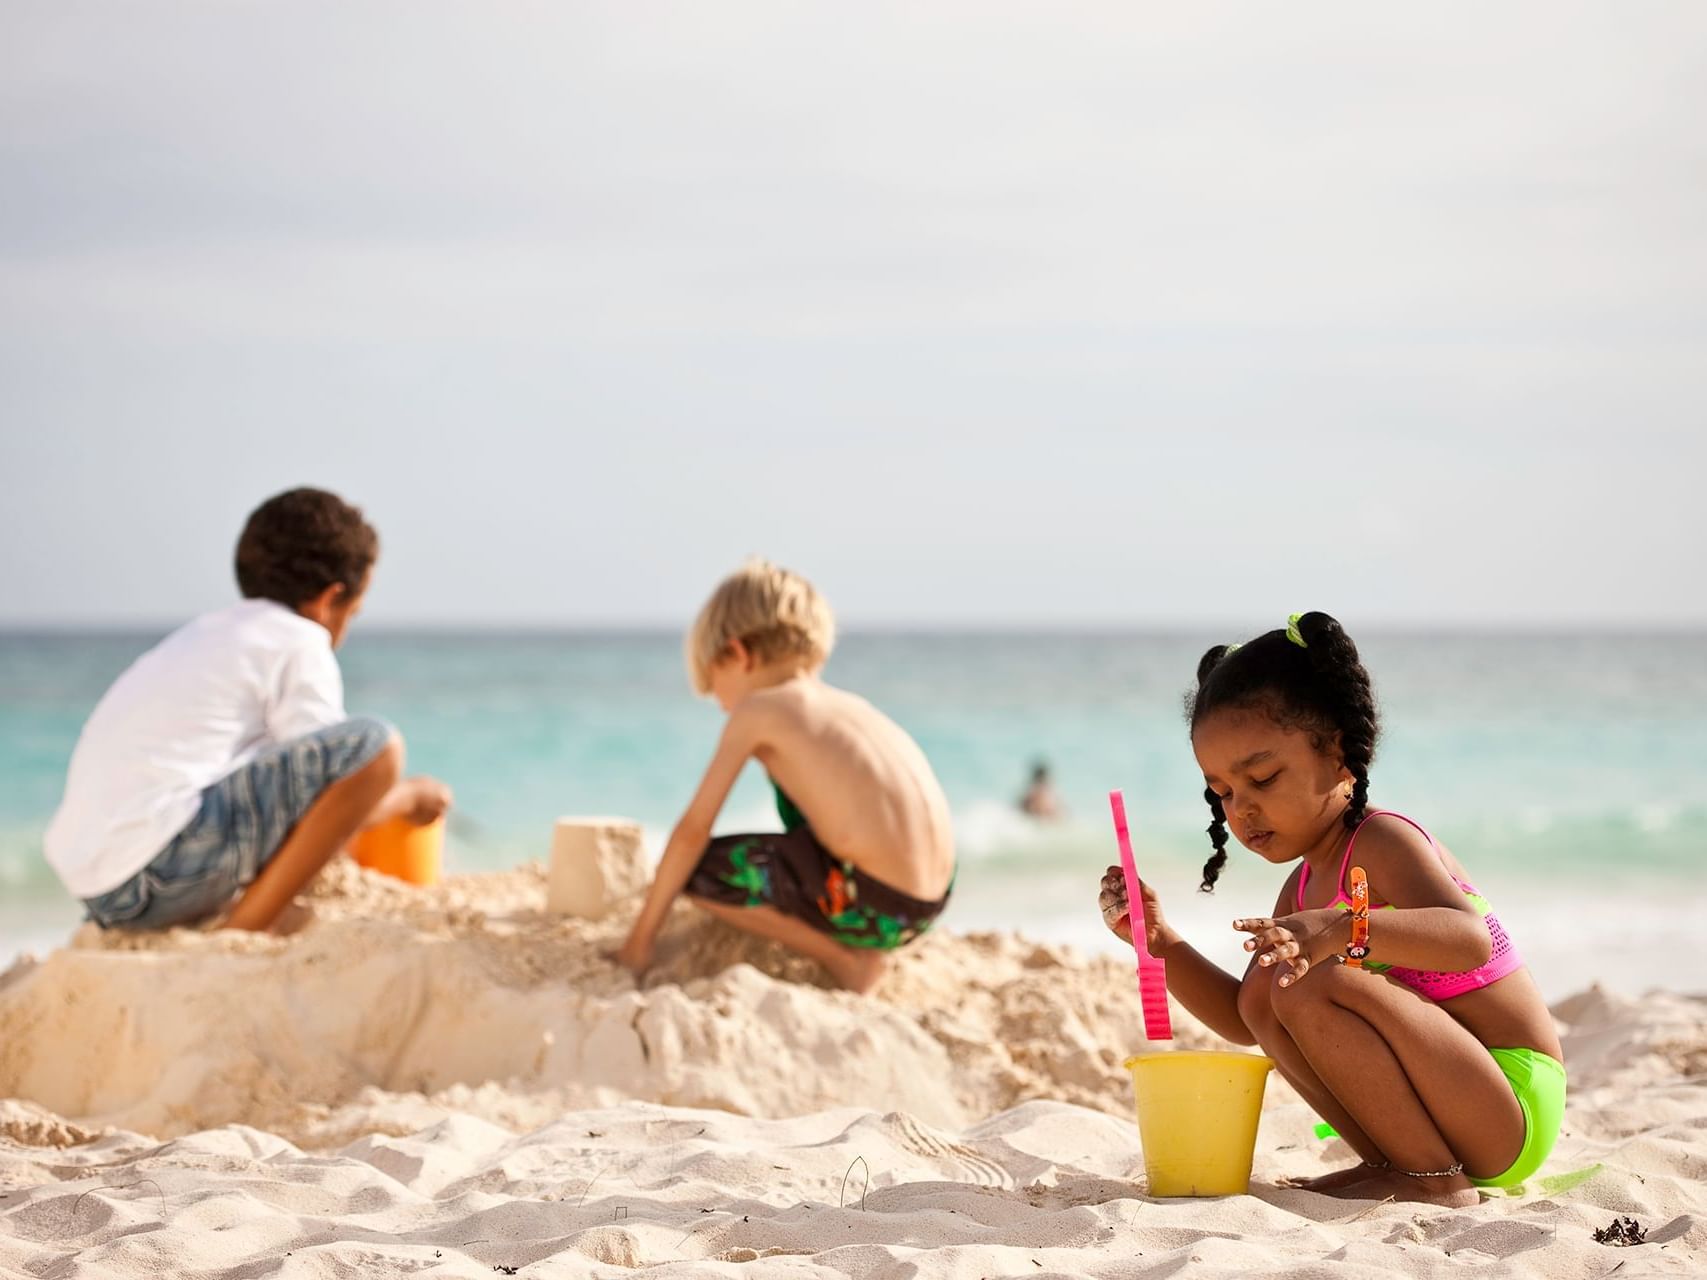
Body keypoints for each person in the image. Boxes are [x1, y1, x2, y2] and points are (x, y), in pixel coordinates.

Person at [1097, 612, 1563, 1206]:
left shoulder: (1382, 841)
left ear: (1339, 753)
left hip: (1510, 1098)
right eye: (1223, 792)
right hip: (1452, 1107)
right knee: (1273, 986)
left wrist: (1343, 928)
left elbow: (1470, 941)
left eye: (1263, 777)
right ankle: (1398, 1162)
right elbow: (1247, 1019)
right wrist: (1160, 941)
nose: (1241, 810)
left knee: (1306, 985)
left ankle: (1432, 1180)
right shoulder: (1302, 886)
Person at [44, 487, 452, 934]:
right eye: (352, 613)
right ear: (328, 599)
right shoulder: (299, 639)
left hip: (101, 892)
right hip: (158, 875)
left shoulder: (205, 635)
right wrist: (409, 797)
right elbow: (332, 796)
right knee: (376, 748)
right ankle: (244, 927)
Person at [614, 558, 955, 993]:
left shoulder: (761, 710)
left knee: (700, 871)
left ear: (737, 654)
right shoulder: (850, 708)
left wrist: (638, 945)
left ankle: (847, 960)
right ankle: (857, 939)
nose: (719, 703)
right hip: (928, 904)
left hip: (876, 908)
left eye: (713, 683)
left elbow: (692, 831)